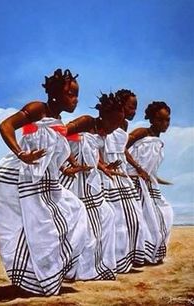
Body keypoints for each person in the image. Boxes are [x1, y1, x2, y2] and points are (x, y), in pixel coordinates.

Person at [0, 69, 89, 296]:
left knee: (74, 210)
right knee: (30, 230)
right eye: (71, 94)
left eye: (76, 94)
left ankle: (41, 277)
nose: (75, 99)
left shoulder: (59, 123)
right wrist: (20, 153)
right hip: (15, 178)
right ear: (55, 94)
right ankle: (33, 281)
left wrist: (67, 168)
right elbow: (5, 126)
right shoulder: (38, 109)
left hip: (41, 182)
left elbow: (51, 156)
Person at [60, 92, 125, 280]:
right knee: (84, 223)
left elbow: (93, 154)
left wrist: (104, 167)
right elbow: (60, 136)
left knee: (107, 215)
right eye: (113, 122)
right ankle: (76, 269)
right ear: (104, 116)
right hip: (71, 179)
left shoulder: (103, 133)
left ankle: (97, 266)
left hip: (88, 179)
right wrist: (68, 164)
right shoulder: (87, 122)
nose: (115, 127)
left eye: (118, 123)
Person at [102, 89, 145, 273]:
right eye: (131, 106)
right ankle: (115, 260)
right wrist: (104, 165)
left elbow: (122, 150)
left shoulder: (125, 126)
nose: (134, 111)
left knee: (133, 216)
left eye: (135, 107)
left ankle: (128, 256)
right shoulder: (108, 122)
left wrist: (137, 167)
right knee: (116, 219)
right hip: (108, 172)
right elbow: (99, 146)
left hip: (121, 173)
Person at [126, 101, 173, 264]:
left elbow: (151, 167)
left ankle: (150, 252)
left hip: (149, 182)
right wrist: (138, 169)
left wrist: (155, 178)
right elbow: (121, 148)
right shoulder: (142, 132)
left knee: (165, 213)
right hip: (134, 180)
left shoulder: (159, 142)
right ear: (152, 119)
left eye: (167, 120)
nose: (165, 123)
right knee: (141, 218)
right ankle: (140, 255)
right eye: (160, 119)